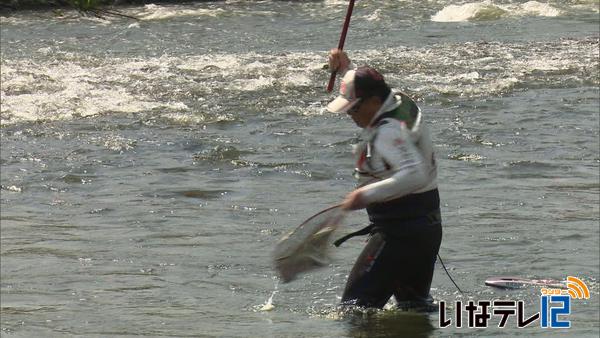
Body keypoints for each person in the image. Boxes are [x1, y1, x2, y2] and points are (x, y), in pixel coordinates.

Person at [327, 49, 442, 310]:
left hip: (399, 234)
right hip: (426, 228)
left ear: (374, 103)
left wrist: (363, 196)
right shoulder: (400, 101)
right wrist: (348, 70)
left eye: (353, 108)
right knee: (414, 307)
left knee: (355, 309)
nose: (350, 114)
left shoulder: (387, 132)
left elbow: (415, 174)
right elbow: (372, 88)